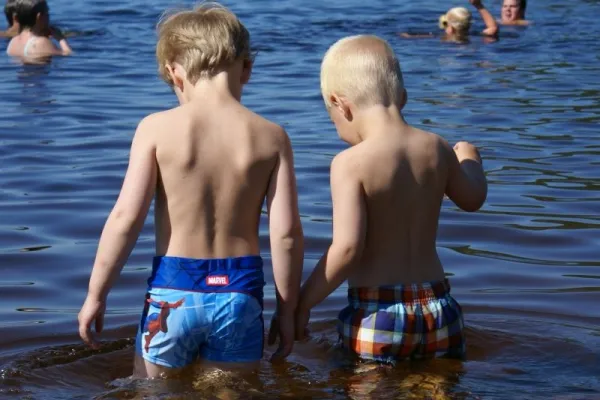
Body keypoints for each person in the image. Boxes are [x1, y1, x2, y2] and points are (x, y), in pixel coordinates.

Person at [77, 3, 304, 378]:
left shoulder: (155, 128)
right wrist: (288, 311)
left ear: (174, 73)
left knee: (152, 390)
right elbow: (287, 235)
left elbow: (125, 219)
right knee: (234, 389)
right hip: (239, 293)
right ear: (246, 67)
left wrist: (95, 295)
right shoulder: (271, 136)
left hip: (173, 292)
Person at [295, 35, 487, 364]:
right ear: (403, 97)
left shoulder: (350, 163)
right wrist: (470, 158)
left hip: (377, 312)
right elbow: (473, 199)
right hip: (439, 309)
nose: (337, 127)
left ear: (341, 104)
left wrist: (302, 304)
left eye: (333, 120)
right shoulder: (438, 148)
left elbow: (347, 249)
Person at [400, 0, 498, 42]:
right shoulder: (475, 36)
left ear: (450, 27)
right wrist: (478, 5)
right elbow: (493, 28)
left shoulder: (441, 38)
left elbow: (406, 36)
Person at [6, 0, 71, 59]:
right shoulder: (41, 42)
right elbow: (68, 55)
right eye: (47, 13)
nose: (48, 16)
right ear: (39, 16)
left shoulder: (13, 41)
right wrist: (61, 39)